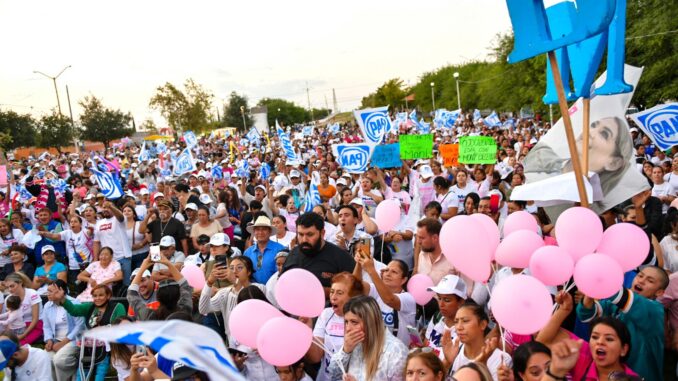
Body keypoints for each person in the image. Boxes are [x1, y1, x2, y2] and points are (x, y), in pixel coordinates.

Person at [576, 265, 667, 380]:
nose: (642, 281)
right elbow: (586, 315)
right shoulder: (615, 305)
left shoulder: (655, 310)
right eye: (640, 276)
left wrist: (598, 279)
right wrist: (589, 294)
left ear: (659, 292)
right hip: (612, 374)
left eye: (650, 281)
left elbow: (621, 296)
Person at [52, 283, 126, 381]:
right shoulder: (90, 307)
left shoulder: (117, 307)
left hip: (109, 347)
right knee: (81, 374)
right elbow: (74, 310)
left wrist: (104, 328)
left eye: (101, 295)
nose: (97, 298)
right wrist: (63, 299)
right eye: (95, 296)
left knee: (100, 375)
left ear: (108, 296)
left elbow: (122, 324)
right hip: (90, 348)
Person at [328, 295, 408, 381]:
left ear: (370, 322)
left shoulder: (396, 351)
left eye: (354, 322)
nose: (348, 328)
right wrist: (345, 351)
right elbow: (333, 376)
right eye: (346, 322)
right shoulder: (353, 344)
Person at [304, 272, 364, 381]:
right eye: (332, 292)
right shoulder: (326, 314)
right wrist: (307, 331)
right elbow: (315, 357)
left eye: (339, 293)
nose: (333, 297)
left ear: (353, 297)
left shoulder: (365, 318)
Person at [282, 212, 355, 293]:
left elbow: (353, 291)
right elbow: (282, 282)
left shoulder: (341, 258)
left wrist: (321, 291)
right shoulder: (293, 254)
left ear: (322, 233)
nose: (304, 240)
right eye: (301, 234)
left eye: (310, 234)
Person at [353, 254, 416, 346]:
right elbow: (355, 287)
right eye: (386, 270)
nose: (388, 274)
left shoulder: (408, 298)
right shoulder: (375, 289)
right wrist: (359, 264)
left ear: (403, 280)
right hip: (376, 349)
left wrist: (371, 270)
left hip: (398, 353)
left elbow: (389, 299)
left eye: (394, 272)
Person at [443, 301, 511, 380]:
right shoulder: (453, 346)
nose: (459, 327)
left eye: (465, 321)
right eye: (456, 321)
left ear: (483, 324)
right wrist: (447, 362)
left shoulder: (501, 359)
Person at [198, 256, 264, 338]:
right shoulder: (224, 293)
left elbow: (248, 297)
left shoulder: (260, 288)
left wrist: (235, 281)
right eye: (231, 268)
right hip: (233, 344)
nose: (234, 271)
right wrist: (209, 283)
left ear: (249, 272)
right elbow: (203, 309)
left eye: (239, 268)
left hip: (254, 341)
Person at [128, 254, 193, 321]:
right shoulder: (185, 309)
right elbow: (185, 285)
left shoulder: (150, 315)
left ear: (158, 298)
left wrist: (143, 266)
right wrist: (168, 263)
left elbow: (131, 294)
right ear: (179, 295)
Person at [43, 280, 84, 381]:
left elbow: (80, 325)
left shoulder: (74, 303)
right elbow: (46, 326)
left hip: (74, 340)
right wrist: (48, 340)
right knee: (45, 359)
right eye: (47, 291)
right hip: (55, 340)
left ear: (61, 291)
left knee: (59, 360)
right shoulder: (48, 305)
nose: (48, 293)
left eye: (51, 291)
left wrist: (64, 342)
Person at [39, 215, 92, 286]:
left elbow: (92, 232)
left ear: (81, 224)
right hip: (73, 267)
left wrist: (91, 229)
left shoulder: (85, 232)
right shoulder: (67, 233)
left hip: (86, 266)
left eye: (75, 222)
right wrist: (43, 233)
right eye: (71, 222)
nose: (72, 223)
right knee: (75, 289)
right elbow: (54, 236)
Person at [425, 275, 467, 359]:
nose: (441, 304)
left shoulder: (465, 328)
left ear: (461, 302)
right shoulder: (437, 317)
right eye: (439, 298)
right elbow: (426, 343)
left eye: (447, 300)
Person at [92, 201, 132, 286]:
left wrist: (110, 206)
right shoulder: (99, 223)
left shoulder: (119, 219)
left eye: (108, 208)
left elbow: (121, 217)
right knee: (108, 286)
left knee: (126, 285)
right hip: (107, 260)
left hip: (123, 257)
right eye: (104, 207)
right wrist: (95, 260)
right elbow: (96, 242)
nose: (106, 209)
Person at [243, 216, 285, 284]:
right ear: (254, 232)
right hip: (254, 290)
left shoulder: (280, 250)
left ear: (270, 231)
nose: (260, 232)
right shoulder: (248, 252)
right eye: (257, 229)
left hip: (273, 290)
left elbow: (282, 274)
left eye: (264, 229)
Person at [4, 273, 42, 346]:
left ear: (20, 282)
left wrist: (23, 335)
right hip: (17, 326)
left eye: (12, 286)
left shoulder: (32, 293)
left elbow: (35, 319)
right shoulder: (8, 298)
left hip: (34, 325)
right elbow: (9, 320)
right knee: (5, 344)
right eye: (7, 287)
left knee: (18, 346)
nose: (10, 289)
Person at [415, 218, 453, 285]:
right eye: (417, 237)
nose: (418, 241)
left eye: (422, 238)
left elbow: (466, 291)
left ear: (435, 238)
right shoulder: (422, 254)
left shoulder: (453, 259)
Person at [123, 204, 149, 272]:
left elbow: (148, 236)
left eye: (129, 211)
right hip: (127, 256)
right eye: (124, 211)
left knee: (141, 275)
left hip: (142, 254)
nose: (126, 212)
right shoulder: (120, 227)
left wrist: (141, 244)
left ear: (134, 214)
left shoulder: (140, 223)